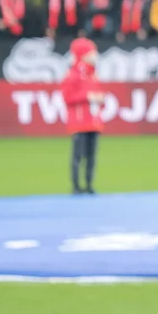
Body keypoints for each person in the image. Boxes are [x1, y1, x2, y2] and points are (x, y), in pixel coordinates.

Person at [61, 37, 105, 195]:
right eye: (92, 52)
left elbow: (99, 95)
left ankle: (89, 184)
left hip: (93, 120)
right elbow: (67, 97)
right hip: (79, 121)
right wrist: (88, 96)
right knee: (78, 155)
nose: (95, 55)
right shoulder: (73, 75)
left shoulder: (93, 75)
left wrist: (100, 99)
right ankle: (76, 186)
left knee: (92, 156)